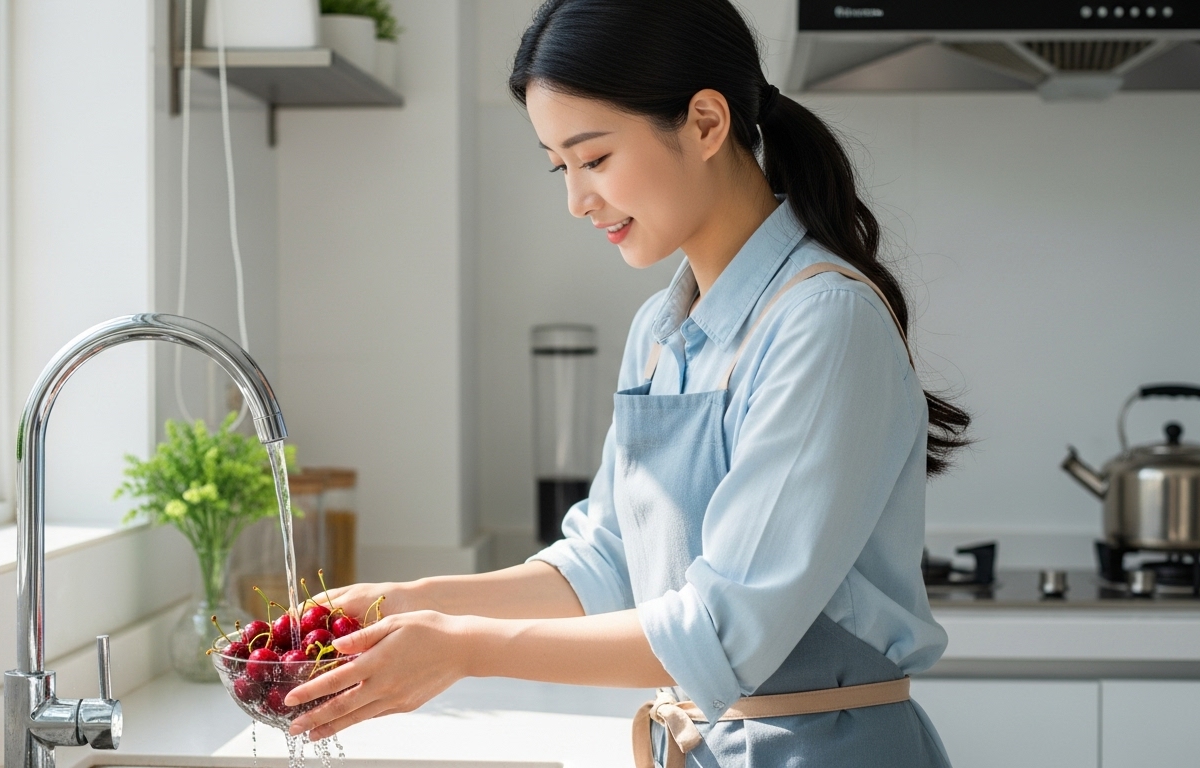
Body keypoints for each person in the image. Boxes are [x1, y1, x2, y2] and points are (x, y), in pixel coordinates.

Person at [286, 0, 971, 764]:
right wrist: (409, 603)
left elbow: (722, 629)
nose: (577, 200)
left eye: (595, 159)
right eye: (561, 166)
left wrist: (465, 648)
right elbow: (606, 561)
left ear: (707, 123)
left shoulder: (824, 321)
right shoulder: (661, 330)